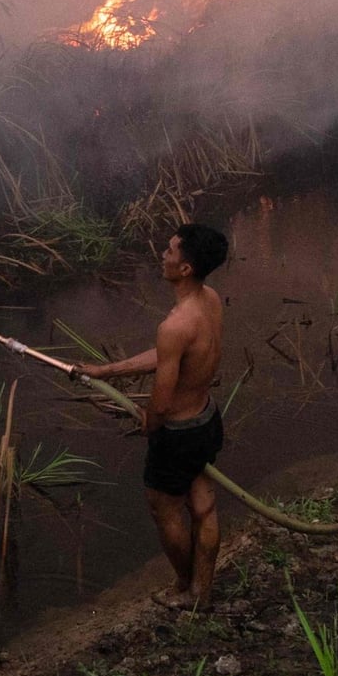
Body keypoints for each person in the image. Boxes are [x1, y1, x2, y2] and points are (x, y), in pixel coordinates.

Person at [72, 223, 229, 610]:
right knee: (204, 505)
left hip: (178, 435)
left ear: (186, 268)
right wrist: (105, 371)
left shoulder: (174, 325)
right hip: (207, 420)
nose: (164, 254)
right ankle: (202, 590)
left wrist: (151, 425)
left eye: (171, 250)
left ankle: (184, 587)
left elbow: (159, 401)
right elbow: (171, 356)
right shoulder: (210, 300)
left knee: (164, 508)